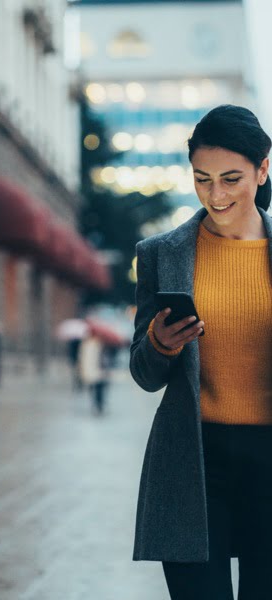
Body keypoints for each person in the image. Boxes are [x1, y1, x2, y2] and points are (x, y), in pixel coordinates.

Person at [129, 104, 272, 599]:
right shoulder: (160, 254)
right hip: (192, 461)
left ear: (263, 168)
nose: (216, 194)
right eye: (202, 178)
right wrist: (157, 345)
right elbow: (144, 374)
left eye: (231, 178)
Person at [79, 332, 109, 414]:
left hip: (94, 371)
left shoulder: (86, 344)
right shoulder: (97, 344)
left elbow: (82, 358)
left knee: (96, 389)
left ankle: (97, 404)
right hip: (96, 371)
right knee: (98, 389)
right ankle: (98, 404)